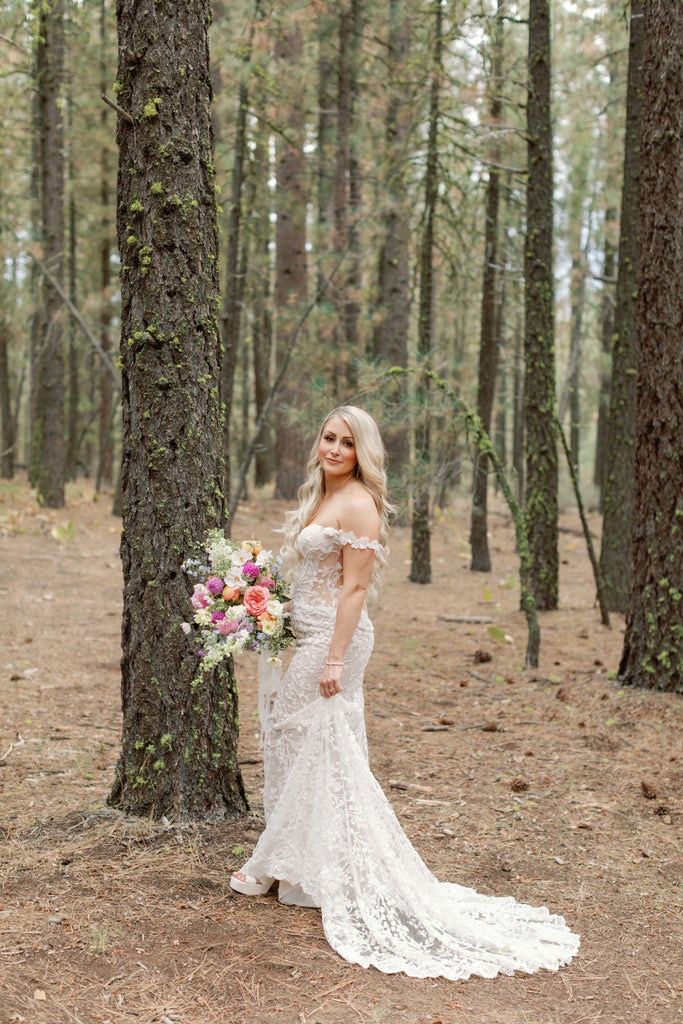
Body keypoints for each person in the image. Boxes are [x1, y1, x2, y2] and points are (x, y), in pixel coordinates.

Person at [230, 405, 580, 980]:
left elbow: (356, 588)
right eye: (328, 437)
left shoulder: (360, 504)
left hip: (336, 641)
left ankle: (271, 864)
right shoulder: (321, 492)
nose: (335, 448)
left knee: (311, 740)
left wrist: (335, 657)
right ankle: (302, 868)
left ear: (362, 452)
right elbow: (314, 574)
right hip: (310, 631)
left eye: (346, 442)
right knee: (301, 745)